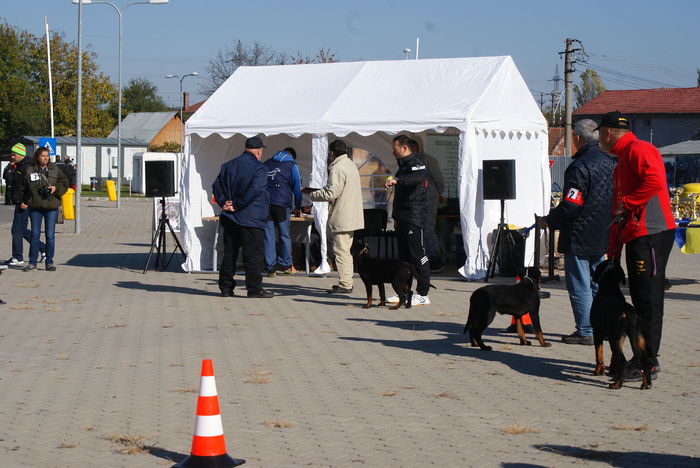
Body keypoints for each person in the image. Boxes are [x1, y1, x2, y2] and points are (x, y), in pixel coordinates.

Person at [598, 111, 676, 381]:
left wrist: (628, 203)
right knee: (641, 298)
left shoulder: (638, 149)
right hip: (637, 234)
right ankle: (643, 357)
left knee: (648, 300)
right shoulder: (623, 158)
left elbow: (654, 180)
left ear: (607, 133)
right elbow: (619, 209)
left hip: (651, 233)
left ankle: (648, 362)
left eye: (599, 134)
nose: (599, 139)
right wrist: (614, 247)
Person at [537, 119, 615, 345]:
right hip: (603, 233)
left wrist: (549, 220)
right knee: (598, 284)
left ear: (578, 139)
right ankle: (604, 327)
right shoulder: (611, 163)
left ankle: (586, 331)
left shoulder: (579, 166)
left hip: (580, 235)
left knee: (580, 285)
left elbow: (572, 204)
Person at [212, 136, 272, 298]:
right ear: (259, 151)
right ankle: (254, 289)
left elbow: (216, 185)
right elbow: (254, 190)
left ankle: (225, 288)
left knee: (229, 253)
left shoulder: (228, 165)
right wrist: (237, 204)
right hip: (251, 218)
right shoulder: (260, 168)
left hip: (230, 218)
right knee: (253, 255)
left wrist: (224, 202)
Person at [306, 139, 364, 294]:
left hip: (343, 216)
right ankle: (346, 281)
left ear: (332, 153)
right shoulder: (350, 165)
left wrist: (312, 194)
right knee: (345, 250)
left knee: (341, 250)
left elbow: (332, 193)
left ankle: (345, 284)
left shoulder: (338, 168)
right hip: (351, 215)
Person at [384, 135, 431, 306]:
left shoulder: (417, 164)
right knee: (404, 258)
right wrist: (396, 217)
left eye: (395, 149)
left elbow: (417, 179)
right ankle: (403, 292)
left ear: (404, 149)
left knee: (418, 255)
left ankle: (423, 293)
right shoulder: (402, 167)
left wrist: (397, 180)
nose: (392, 152)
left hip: (414, 218)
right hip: (402, 218)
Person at [20, 147, 68, 271]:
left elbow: (65, 183)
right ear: (37, 157)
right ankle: (32, 262)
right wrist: (24, 201)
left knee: (50, 235)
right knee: (35, 234)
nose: (45, 158)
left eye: (47, 155)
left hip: (51, 206)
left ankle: (49, 262)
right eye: (43, 155)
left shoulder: (54, 169)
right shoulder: (30, 170)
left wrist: (55, 189)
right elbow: (23, 187)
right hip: (35, 207)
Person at [263, 147, 302, 277]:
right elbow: (297, 188)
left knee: (268, 236)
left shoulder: (267, 163)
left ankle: (270, 268)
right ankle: (286, 265)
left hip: (266, 204)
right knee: (284, 235)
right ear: (292, 157)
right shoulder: (292, 166)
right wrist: (298, 206)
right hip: (282, 204)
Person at [5, 143, 45, 266]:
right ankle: (43, 248)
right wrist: (11, 169)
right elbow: (10, 180)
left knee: (16, 230)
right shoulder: (18, 166)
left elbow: (33, 187)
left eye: (14, 154)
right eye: (12, 154)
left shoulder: (28, 167)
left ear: (21, 154)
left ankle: (17, 257)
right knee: (20, 230)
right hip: (20, 202)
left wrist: (26, 202)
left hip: (25, 203)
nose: (12, 156)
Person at [409, 138, 445, 272]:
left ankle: (435, 259)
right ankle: (423, 258)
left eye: (414, 146)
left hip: (428, 199)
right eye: (410, 146)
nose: (412, 149)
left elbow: (439, 180)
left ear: (419, 147)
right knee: (418, 230)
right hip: (415, 201)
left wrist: (437, 194)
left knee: (428, 229)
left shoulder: (429, 160)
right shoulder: (409, 162)